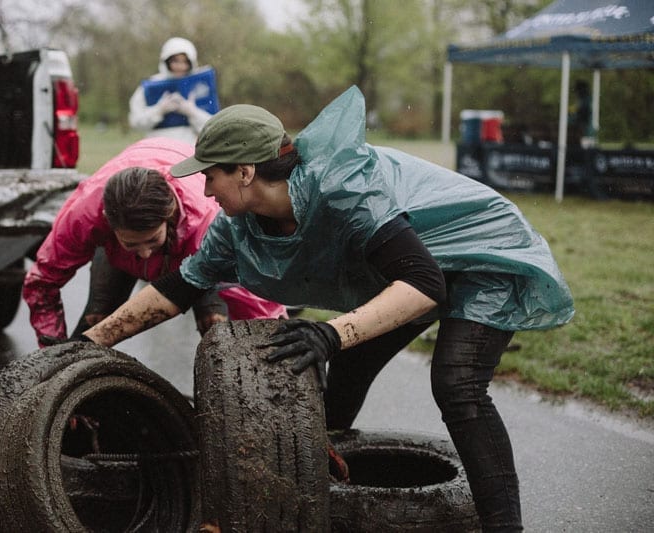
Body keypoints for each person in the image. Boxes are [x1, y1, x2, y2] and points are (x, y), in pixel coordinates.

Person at [76, 87, 574, 532]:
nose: (205, 190)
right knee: (350, 369)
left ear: (245, 171)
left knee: (456, 384)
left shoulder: (343, 191)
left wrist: (330, 333)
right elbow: (178, 288)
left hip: (481, 253)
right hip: (408, 268)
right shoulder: (237, 225)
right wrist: (89, 344)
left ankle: (504, 526)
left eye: (211, 176)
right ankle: (323, 482)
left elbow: (424, 283)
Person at [22, 137, 286, 346]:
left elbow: (252, 296)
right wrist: (53, 349)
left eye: (151, 240)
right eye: (132, 244)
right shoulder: (85, 214)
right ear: (107, 224)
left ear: (168, 217)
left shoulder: (205, 224)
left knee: (216, 327)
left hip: (192, 250)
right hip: (120, 243)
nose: (146, 254)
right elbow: (42, 283)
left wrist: (271, 339)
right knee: (96, 323)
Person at [128, 37, 213, 144]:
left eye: (185, 62)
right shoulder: (149, 86)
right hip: (158, 147)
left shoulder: (200, 86)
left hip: (189, 150)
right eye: (175, 61)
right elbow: (136, 123)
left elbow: (213, 128)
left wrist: (192, 111)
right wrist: (159, 110)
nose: (180, 66)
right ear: (166, 61)